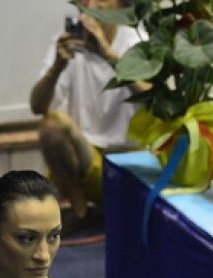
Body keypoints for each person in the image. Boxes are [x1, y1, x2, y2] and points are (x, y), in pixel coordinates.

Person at [29, 0, 144, 228]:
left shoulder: (137, 41)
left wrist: (109, 56)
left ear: (120, 5)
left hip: (126, 163)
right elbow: (37, 107)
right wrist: (56, 68)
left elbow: (154, 98)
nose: (91, 4)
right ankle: (80, 210)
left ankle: (111, 206)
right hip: (84, 158)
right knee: (52, 127)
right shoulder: (68, 42)